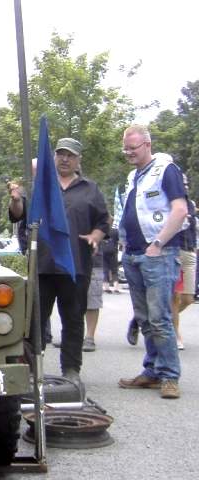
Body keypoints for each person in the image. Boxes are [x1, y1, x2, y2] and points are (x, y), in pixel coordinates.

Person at [9, 138, 109, 383]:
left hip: (75, 266)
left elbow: (103, 222)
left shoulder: (90, 189)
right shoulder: (41, 187)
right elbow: (17, 216)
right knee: (34, 323)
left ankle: (71, 371)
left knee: (73, 321)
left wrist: (95, 236)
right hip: (42, 265)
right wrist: (16, 199)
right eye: (60, 154)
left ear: (78, 160)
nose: (65, 159)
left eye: (70, 155)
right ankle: (31, 372)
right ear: (53, 157)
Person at [117, 125, 187, 399]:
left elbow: (180, 210)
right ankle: (152, 371)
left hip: (158, 253)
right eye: (126, 149)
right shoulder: (134, 176)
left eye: (133, 148)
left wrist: (157, 244)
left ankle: (170, 376)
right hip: (133, 254)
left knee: (160, 319)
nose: (129, 153)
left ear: (147, 144)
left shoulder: (166, 169)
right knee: (145, 319)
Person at [171, 175, 196, 350]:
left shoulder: (192, 204)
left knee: (188, 299)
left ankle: (156, 321)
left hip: (190, 252)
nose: (185, 187)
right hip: (175, 251)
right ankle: (175, 333)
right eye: (182, 184)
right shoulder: (169, 203)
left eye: (186, 184)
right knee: (176, 297)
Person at [83, 250, 104, 352]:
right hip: (69, 258)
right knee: (69, 299)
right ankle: (70, 335)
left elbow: (104, 234)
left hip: (92, 260)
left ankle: (89, 337)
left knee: (92, 299)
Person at [102, 223, 120, 294]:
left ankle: (106, 288)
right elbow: (119, 241)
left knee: (105, 269)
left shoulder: (102, 230)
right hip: (113, 252)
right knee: (114, 270)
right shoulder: (115, 231)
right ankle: (116, 288)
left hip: (104, 252)